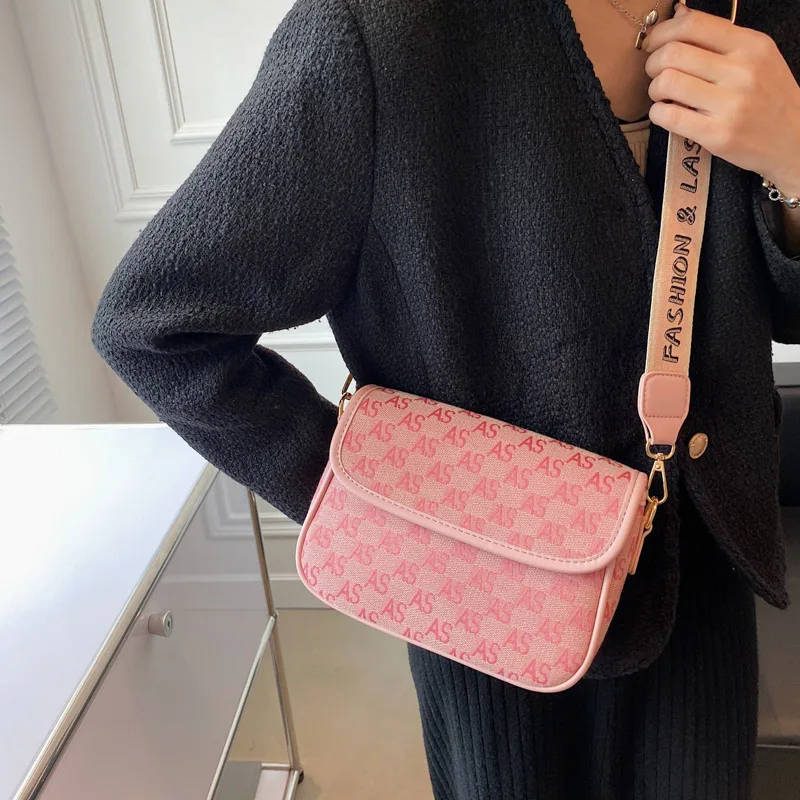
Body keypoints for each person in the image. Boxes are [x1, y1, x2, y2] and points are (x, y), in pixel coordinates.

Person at [91, 0, 800, 797]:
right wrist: (377, 503)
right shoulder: (382, 29)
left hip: (702, 564)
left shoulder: (764, 16)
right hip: (487, 590)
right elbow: (153, 326)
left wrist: (795, 158)